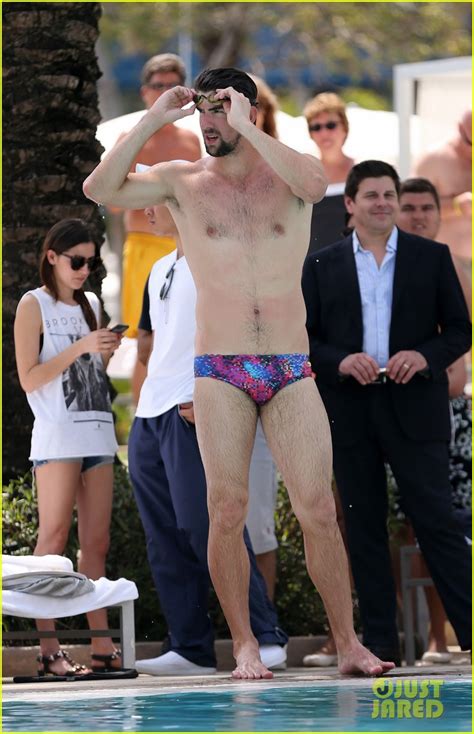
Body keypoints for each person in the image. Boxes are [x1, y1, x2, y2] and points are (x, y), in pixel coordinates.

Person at [83, 66, 395, 679]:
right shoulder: (183, 181)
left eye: (222, 108)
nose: (210, 122)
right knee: (225, 510)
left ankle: (349, 643)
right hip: (220, 366)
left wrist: (248, 125)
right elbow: (100, 188)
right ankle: (246, 645)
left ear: (247, 110)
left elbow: (315, 181)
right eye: (203, 110)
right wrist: (155, 118)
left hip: (289, 364)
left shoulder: (288, 171)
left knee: (318, 509)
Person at [302, 160, 472, 666]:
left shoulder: (432, 257)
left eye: (389, 195)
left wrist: (425, 356)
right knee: (363, 526)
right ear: (350, 204)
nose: (382, 203)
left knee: (437, 522)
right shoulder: (319, 265)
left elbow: (460, 331)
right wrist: (338, 360)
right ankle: (380, 643)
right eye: (371, 195)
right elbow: (304, 340)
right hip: (350, 408)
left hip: (416, 405)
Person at [128, 208, 288, 675]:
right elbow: (155, 344)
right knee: (165, 539)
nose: (148, 210)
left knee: (208, 527)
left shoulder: (222, 259)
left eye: (157, 199)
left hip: (193, 407)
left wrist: (214, 394)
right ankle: (191, 647)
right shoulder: (159, 267)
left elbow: (249, 332)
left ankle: (264, 634)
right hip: (150, 414)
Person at [13, 219, 124, 678]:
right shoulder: (32, 304)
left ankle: (101, 648)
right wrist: (81, 346)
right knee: (52, 543)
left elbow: (91, 374)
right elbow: (29, 378)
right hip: (58, 436)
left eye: (90, 262)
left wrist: (104, 352)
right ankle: (49, 651)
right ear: (52, 257)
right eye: (76, 261)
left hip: (98, 433)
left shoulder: (93, 304)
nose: (83, 270)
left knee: (95, 545)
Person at [395, 177, 472, 664]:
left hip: (453, 409)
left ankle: (451, 633)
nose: (419, 215)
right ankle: (428, 638)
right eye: (410, 207)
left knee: (452, 524)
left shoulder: (458, 266)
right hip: (399, 406)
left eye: (427, 206)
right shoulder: (388, 269)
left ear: (439, 213)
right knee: (405, 527)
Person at [112, 53, 201, 403]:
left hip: (184, 248)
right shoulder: (130, 138)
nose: (164, 92)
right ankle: (141, 424)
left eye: (172, 86)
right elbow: (113, 200)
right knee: (145, 339)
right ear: (145, 92)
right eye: (158, 86)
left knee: (188, 333)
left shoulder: (191, 143)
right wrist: (154, 196)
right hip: (144, 247)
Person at [413, 109, 472, 268]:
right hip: (450, 264)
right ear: (460, 129)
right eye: (471, 144)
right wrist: (456, 205)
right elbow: (414, 210)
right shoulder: (434, 160)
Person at [303, 92, 355, 253]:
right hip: (315, 268)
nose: (324, 133)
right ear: (310, 134)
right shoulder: (303, 175)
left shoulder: (362, 172)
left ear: (345, 128)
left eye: (331, 125)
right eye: (316, 127)